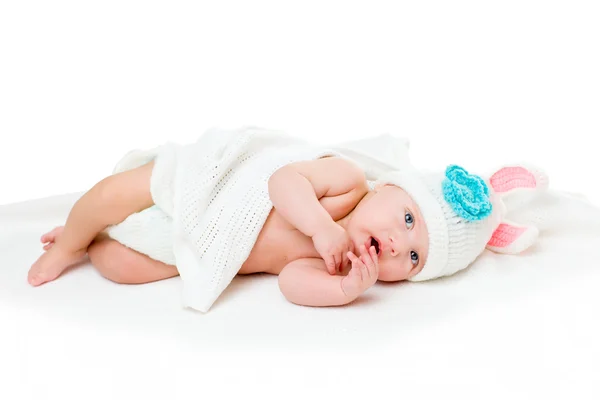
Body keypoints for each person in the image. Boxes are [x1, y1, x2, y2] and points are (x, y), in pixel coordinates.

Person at [27, 127, 548, 310]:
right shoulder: (346, 184)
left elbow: (291, 282)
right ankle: (70, 239)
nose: (395, 244)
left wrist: (342, 292)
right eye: (408, 219)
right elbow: (282, 182)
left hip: (207, 245)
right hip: (209, 187)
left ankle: (94, 241)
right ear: (390, 188)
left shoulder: (343, 268)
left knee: (122, 265)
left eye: (414, 258)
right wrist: (322, 227)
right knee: (114, 193)